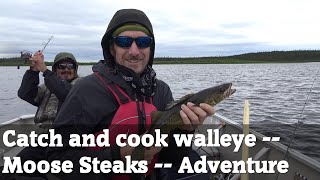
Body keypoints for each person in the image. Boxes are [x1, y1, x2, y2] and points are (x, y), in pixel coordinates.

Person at [47, 9, 214, 180]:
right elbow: (56, 160)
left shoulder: (162, 90)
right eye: (124, 41)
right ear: (111, 48)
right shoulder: (86, 90)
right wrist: (116, 155)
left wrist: (184, 132)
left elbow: (171, 159)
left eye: (142, 42)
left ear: (151, 48)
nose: (134, 51)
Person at [15, 51, 80, 179]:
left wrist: (44, 70)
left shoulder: (81, 85)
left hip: (68, 141)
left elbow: (68, 95)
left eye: (70, 66)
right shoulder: (47, 87)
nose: (66, 69)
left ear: (75, 69)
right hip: (43, 139)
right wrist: (34, 71)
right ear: (55, 69)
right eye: (61, 66)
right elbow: (25, 94)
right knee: (19, 164)